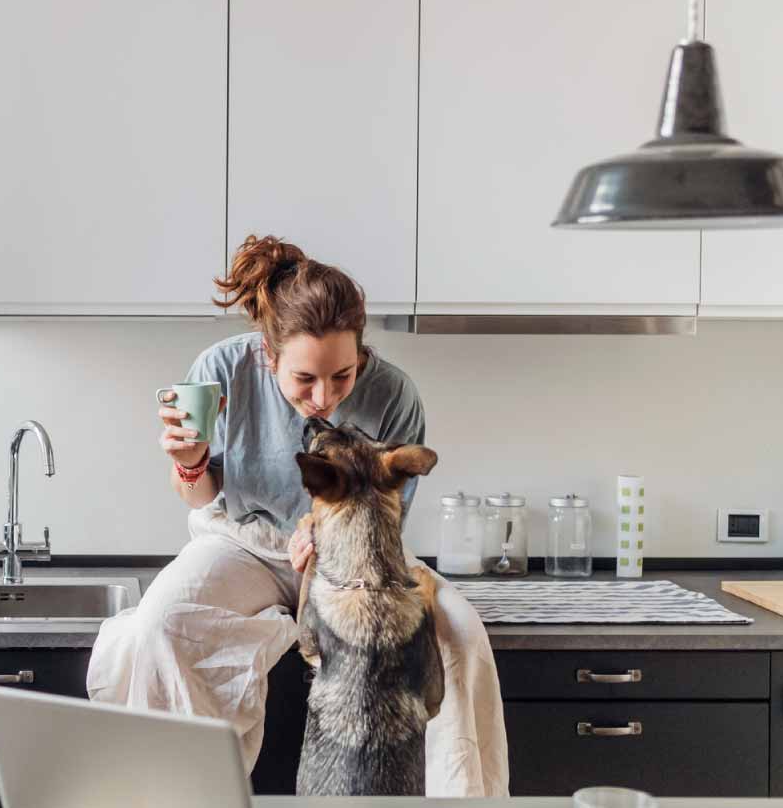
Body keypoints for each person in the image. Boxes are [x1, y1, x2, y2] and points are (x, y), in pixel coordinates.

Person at [86, 235, 509, 796]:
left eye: (342, 375)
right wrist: (189, 463)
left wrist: (324, 538)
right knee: (160, 625)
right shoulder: (219, 370)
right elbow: (199, 496)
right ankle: (188, 792)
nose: (323, 397)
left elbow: (386, 521)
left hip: (358, 553)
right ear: (268, 355)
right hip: (243, 544)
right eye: (304, 380)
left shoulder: (395, 395)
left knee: (463, 636)